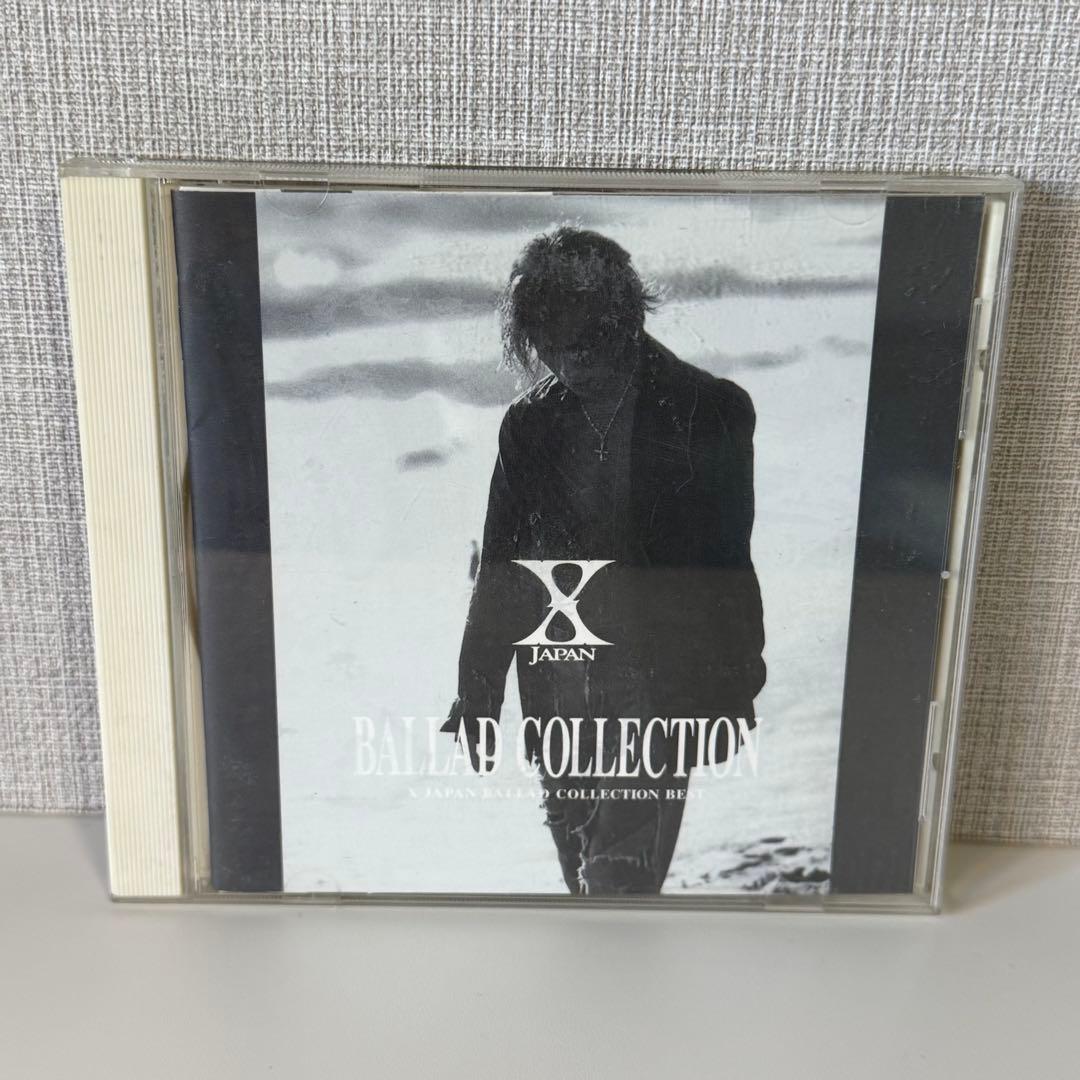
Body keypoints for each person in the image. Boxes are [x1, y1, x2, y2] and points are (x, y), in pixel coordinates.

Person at [443, 226, 765, 896]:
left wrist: (736, 688)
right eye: (548, 345)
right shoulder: (529, 425)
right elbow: (502, 566)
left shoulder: (709, 410)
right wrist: (477, 693)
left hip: (659, 683)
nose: (567, 362)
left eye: (582, 343)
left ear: (623, 321)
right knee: (582, 874)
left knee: (620, 882)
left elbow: (728, 564)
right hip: (558, 681)